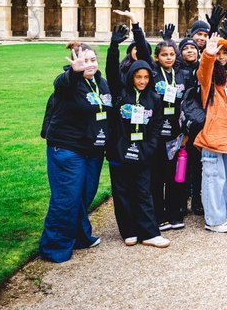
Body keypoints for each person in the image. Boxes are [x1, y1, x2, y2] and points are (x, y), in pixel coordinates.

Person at [39, 42, 110, 262]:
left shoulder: (101, 83)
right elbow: (61, 83)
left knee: (85, 195)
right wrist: (74, 71)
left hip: (93, 149)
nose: (89, 65)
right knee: (67, 198)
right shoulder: (69, 83)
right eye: (84, 61)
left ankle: (80, 236)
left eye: (92, 60)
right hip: (67, 148)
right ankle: (54, 247)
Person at [105, 25, 169, 248]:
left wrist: (149, 148)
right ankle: (129, 230)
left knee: (143, 191)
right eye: (138, 77)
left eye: (145, 77)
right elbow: (111, 72)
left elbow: (156, 126)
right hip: (119, 150)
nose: (142, 81)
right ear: (131, 76)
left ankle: (149, 232)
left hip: (142, 151)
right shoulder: (120, 93)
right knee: (122, 191)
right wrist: (114, 46)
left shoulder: (154, 98)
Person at [195, 33, 227, 233]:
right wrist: (209, 54)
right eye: (219, 53)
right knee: (213, 179)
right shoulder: (209, 80)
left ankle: (222, 214)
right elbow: (203, 71)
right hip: (213, 137)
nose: (222, 56)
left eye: (225, 53)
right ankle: (214, 220)